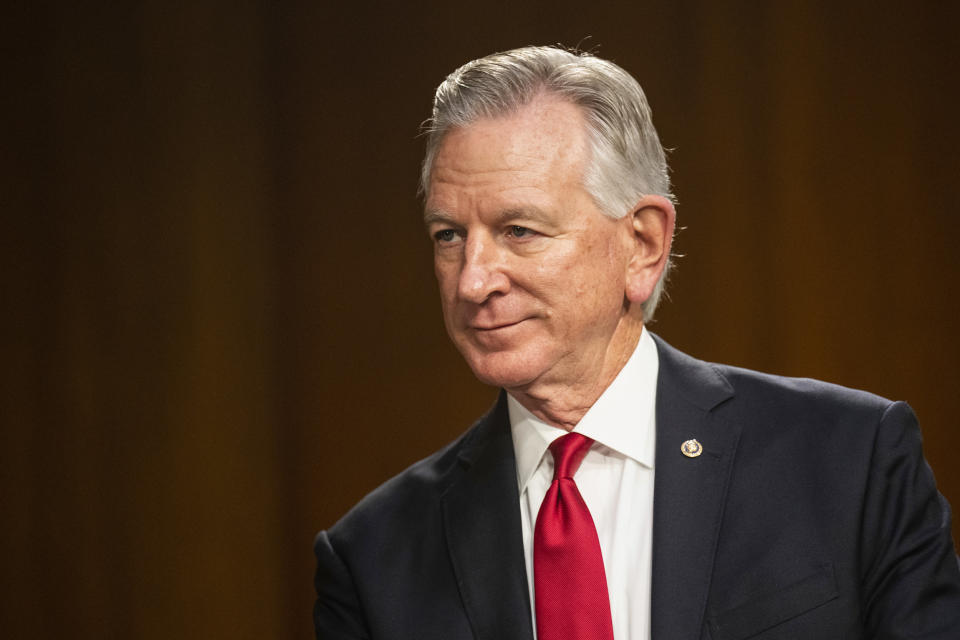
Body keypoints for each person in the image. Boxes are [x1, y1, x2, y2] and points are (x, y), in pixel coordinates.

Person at [314, 45, 960, 640]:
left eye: (519, 230)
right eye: (449, 235)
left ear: (643, 244)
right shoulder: (374, 556)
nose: (474, 280)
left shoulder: (850, 459)